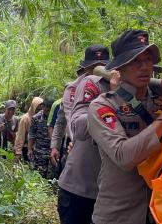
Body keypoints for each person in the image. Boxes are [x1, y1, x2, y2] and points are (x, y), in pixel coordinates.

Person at [87, 30, 162, 224]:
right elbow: (124, 157)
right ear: (120, 66)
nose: (145, 67)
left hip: (161, 213)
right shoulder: (103, 106)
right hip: (118, 216)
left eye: (148, 60)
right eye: (136, 61)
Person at [56, 45, 116, 224]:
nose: (98, 75)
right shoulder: (75, 89)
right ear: (85, 71)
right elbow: (76, 128)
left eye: (102, 68)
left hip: (110, 191)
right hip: (80, 187)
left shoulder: (121, 87)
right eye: (93, 70)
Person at [28, 99, 54, 177]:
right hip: (40, 151)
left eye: (50, 110)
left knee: (52, 175)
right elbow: (31, 134)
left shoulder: (56, 117)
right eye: (47, 109)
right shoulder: (36, 118)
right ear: (43, 107)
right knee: (39, 174)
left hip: (52, 150)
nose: (48, 112)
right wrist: (29, 149)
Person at [14, 97, 43, 162]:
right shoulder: (25, 119)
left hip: (40, 148)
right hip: (27, 148)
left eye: (41, 109)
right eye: (37, 109)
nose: (39, 111)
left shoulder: (43, 118)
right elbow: (20, 136)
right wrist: (18, 151)